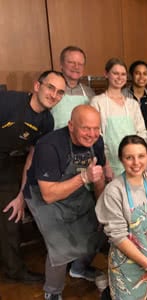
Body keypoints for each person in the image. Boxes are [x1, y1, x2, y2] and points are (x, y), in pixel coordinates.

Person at [25, 105, 106, 300]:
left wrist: (102, 207)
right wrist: (85, 177)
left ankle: (79, 268)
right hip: (42, 194)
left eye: (96, 128)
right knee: (59, 245)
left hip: (75, 190)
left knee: (99, 228)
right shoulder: (49, 145)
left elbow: (98, 175)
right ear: (71, 126)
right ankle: (52, 292)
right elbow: (49, 195)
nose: (92, 134)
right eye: (86, 128)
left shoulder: (97, 142)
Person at [0, 70, 66, 283]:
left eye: (60, 92)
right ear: (37, 86)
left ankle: (14, 271)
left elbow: (32, 157)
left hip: (7, 164)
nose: (54, 95)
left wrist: (21, 195)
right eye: (50, 87)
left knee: (11, 218)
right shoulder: (8, 101)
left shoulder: (47, 122)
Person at [96, 135, 147, 300]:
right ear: (121, 160)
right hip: (127, 267)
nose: (136, 162)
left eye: (141, 156)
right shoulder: (114, 191)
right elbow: (118, 237)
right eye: (129, 157)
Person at [91, 58, 147, 179]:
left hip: (134, 163)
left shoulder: (132, 104)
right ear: (106, 74)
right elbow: (96, 136)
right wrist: (105, 164)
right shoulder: (98, 102)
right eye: (115, 73)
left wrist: (142, 158)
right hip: (110, 164)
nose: (119, 77)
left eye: (123, 74)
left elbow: (141, 132)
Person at [123, 60, 147, 165]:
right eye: (137, 73)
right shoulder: (122, 95)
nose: (141, 77)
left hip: (146, 147)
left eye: (145, 74)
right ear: (131, 75)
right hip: (127, 146)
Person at [51, 46, 95, 129]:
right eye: (71, 62)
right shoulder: (52, 90)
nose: (76, 67)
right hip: (55, 139)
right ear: (61, 65)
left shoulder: (89, 93)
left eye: (80, 64)